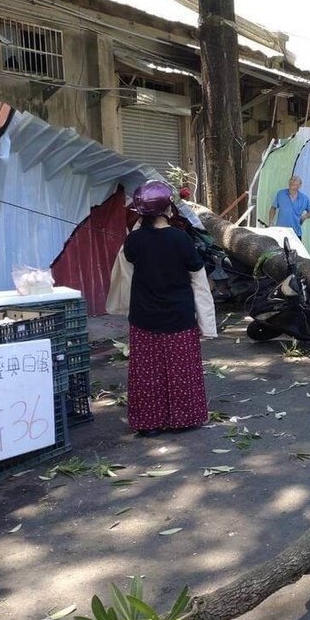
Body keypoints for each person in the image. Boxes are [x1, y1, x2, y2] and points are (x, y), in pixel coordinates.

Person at [123, 180, 209, 437]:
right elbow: (197, 273)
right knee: (180, 369)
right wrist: (206, 318)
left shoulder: (134, 241)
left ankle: (149, 424)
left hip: (143, 317)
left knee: (147, 373)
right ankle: (183, 419)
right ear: (167, 209)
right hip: (178, 316)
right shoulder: (180, 239)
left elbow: (127, 264)